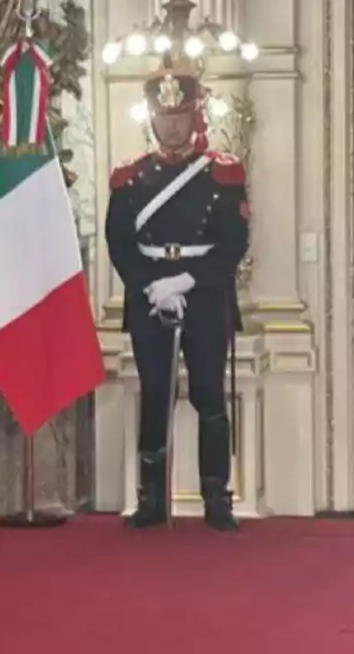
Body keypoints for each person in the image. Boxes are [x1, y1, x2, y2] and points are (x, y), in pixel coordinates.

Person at [105, 55, 248, 532]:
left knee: (209, 393)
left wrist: (187, 281)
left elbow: (233, 243)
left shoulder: (223, 174)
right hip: (150, 294)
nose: (171, 125)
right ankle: (151, 498)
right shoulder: (129, 179)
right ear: (152, 118)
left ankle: (216, 496)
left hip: (205, 294)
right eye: (163, 116)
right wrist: (153, 285)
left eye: (179, 115)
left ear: (195, 116)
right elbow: (119, 241)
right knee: (155, 393)